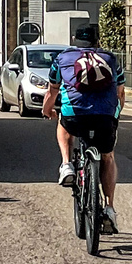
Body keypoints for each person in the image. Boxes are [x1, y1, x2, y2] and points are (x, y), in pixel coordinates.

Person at [42, 23, 125, 235]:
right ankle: (109, 208)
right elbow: (121, 94)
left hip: (75, 115)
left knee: (64, 123)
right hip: (105, 116)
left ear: (74, 39)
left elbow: (52, 91)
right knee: (107, 157)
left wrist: (47, 111)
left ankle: (67, 165)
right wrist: (114, 115)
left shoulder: (62, 58)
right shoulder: (111, 59)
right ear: (98, 41)